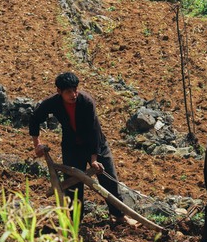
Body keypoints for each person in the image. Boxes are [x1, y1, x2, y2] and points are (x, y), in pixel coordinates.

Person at [29, 72, 134, 225]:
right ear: (59, 92)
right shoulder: (53, 103)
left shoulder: (86, 102)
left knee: (109, 180)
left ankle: (119, 216)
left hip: (97, 145)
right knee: (73, 186)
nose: (73, 95)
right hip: (72, 147)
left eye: (75, 90)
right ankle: (75, 221)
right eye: (68, 92)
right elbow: (35, 118)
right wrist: (37, 144)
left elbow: (94, 130)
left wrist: (94, 159)